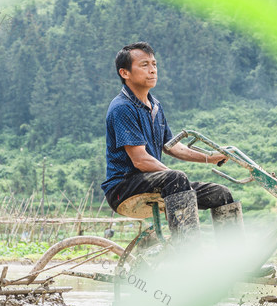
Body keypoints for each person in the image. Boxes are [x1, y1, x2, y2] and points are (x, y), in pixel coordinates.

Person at [101, 41, 241, 242]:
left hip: (155, 182)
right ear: (125, 73)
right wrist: (177, 180)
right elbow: (140, 160)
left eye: (154, 64)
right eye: (144, 65)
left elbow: (172, 145)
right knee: (176, 178)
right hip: (123, 187)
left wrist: (211, 157)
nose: (152, 70)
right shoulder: (121, 108)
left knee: (221, 194)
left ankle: (235, 258)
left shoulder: (155, 105)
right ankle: (188, 254)